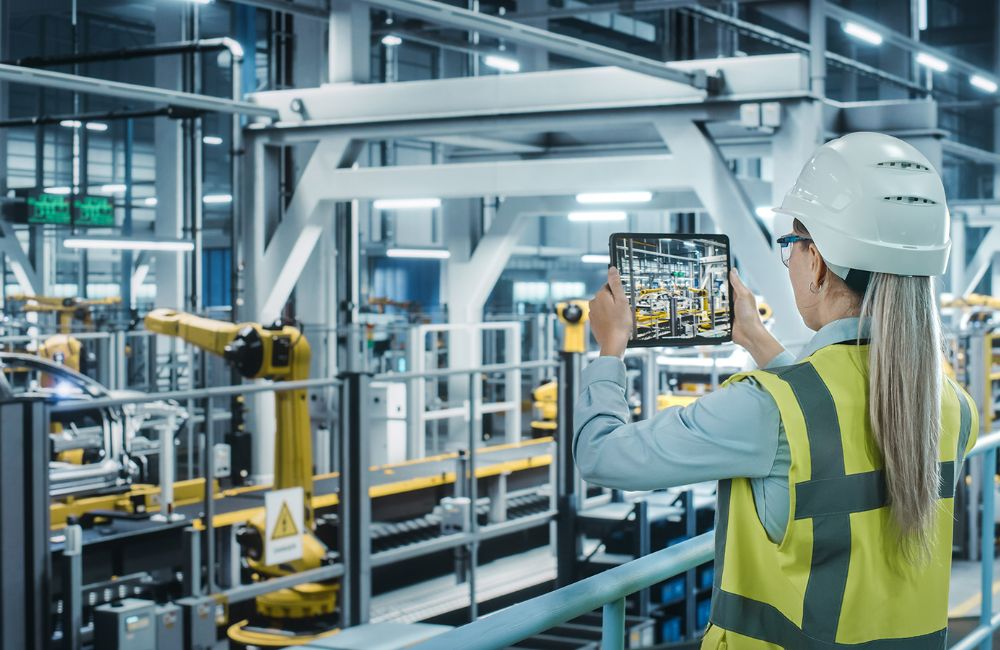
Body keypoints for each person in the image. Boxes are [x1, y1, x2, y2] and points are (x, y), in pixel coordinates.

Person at [575, 132, 979, 649]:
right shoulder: (952, 406)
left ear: (816, 261)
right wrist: (756, 339)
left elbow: (601, 455)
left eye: (790, 246)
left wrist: (610, 347)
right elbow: (835, 418)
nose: (788, 261)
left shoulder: (763, 409)